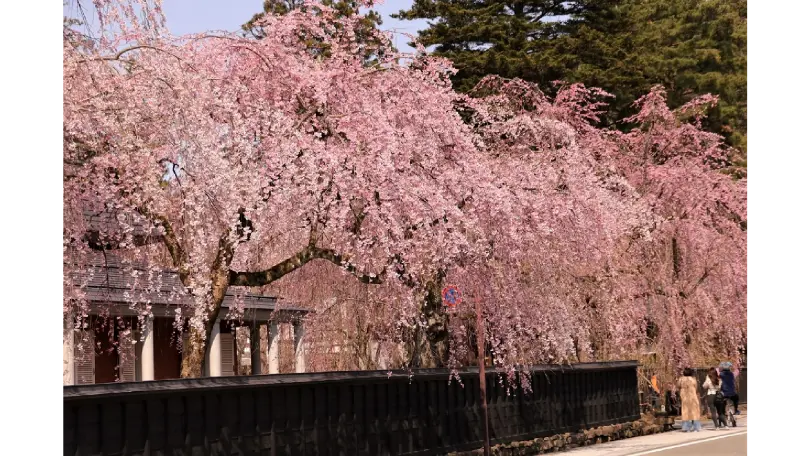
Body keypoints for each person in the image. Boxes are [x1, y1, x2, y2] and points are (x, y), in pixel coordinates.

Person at [676, 367, 702, 432]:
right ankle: (696, 427)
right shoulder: (693, 379)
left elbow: (678, 386)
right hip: (693, 396)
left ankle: (686, 428)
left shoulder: (681, 379)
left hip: (684, 397)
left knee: (685, 411)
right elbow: (696, 387)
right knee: (694, 411)